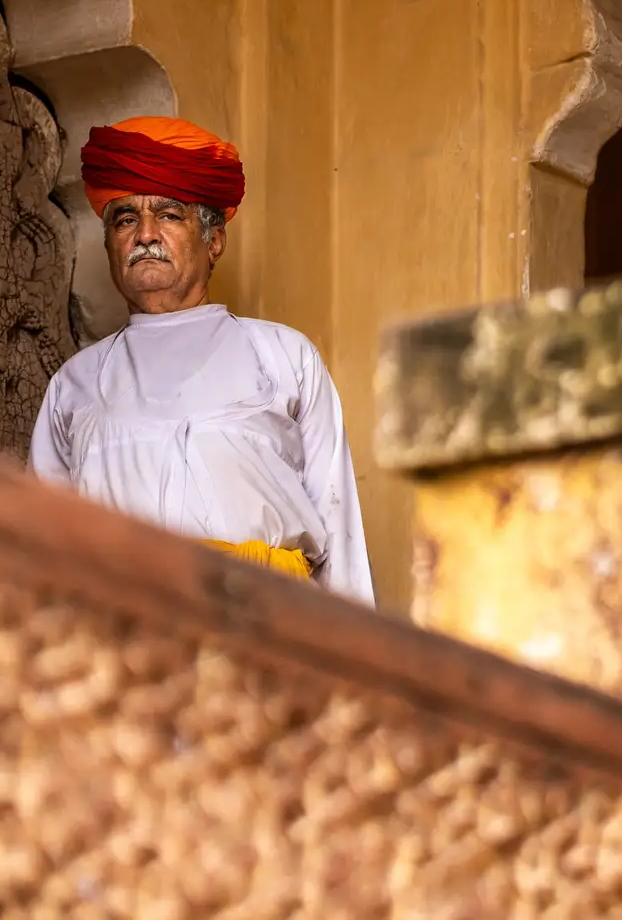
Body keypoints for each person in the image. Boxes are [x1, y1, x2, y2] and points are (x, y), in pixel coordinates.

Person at [28, 113, 374, 600]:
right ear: (109, 245)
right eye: (126, 218)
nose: (145, 234)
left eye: (169, 215)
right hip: (124, 643)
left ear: (214, 241)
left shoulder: (282, 357)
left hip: (266, 635)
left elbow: (340, 532)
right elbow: (43, 552)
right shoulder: (75, 385)